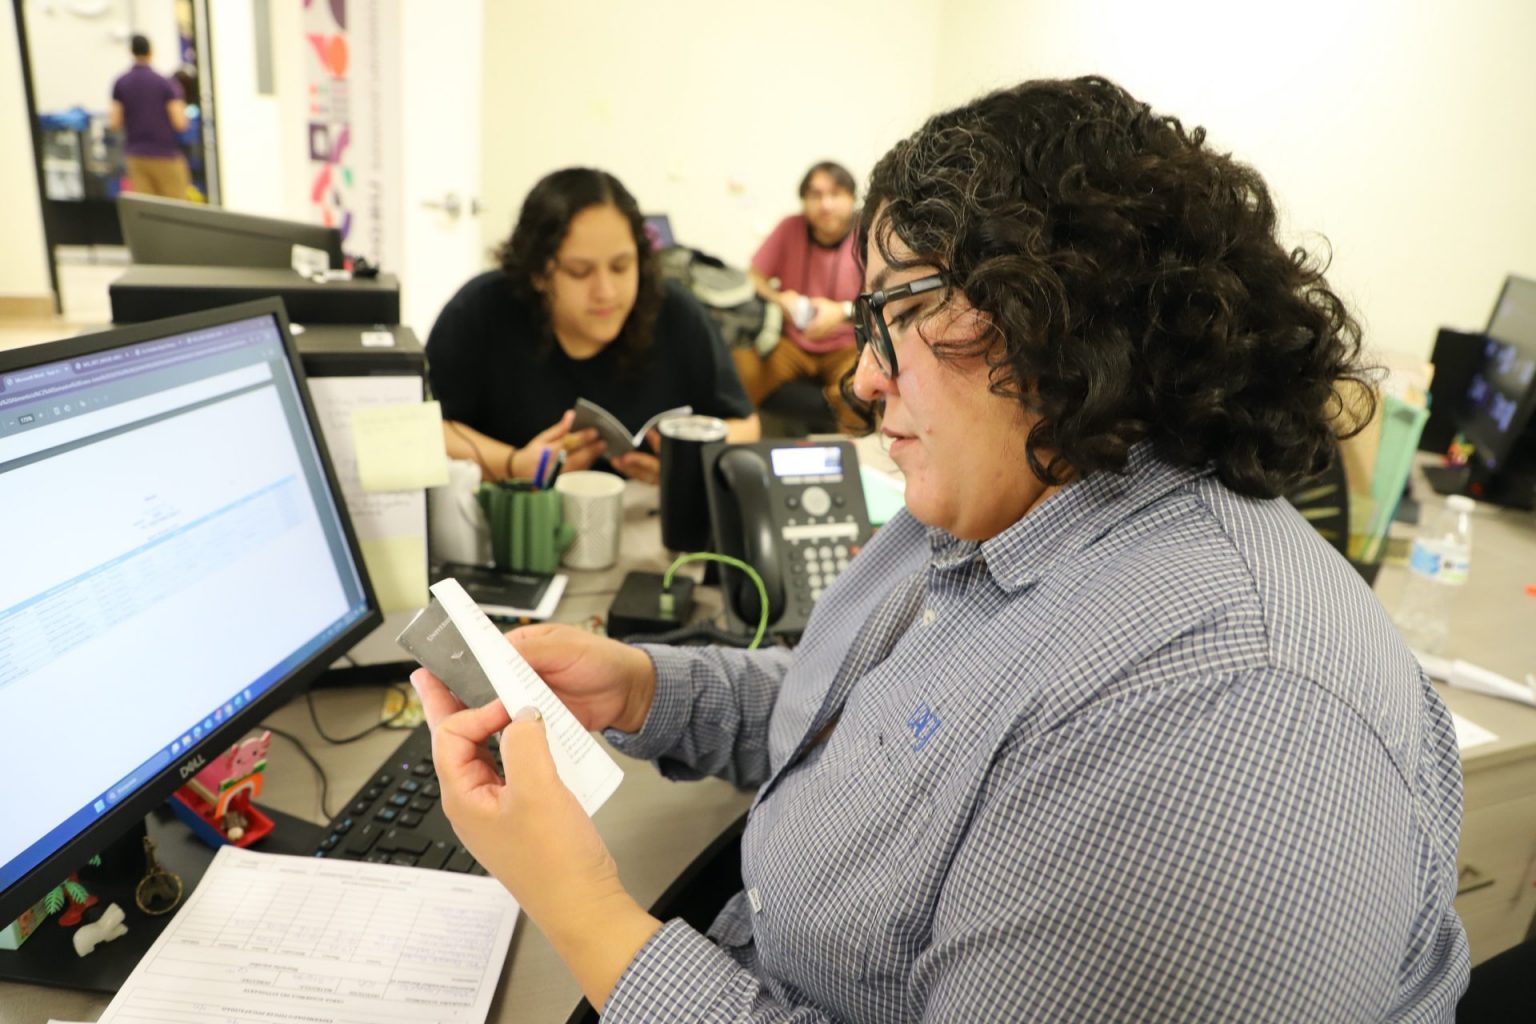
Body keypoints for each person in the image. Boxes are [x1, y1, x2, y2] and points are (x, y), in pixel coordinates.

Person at [413, 78, 1469, 1021]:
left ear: (1066, 314)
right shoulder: (1007, 487)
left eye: (907, 310)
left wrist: (580, 906)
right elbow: (866, 724)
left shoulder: (1217, 723)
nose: (864, 379)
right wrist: (646, 688)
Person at [428, 168, 759, 487]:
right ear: (538, 273)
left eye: (621, 266)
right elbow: (424, 428)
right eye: (580, 272)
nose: (606, 292)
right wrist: (513, 465)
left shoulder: (675, 312)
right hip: (516, 509)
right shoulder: (482, 309)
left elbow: (745, 425)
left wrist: (686, 464)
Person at [732, 161, 863, 429]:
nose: (825, 205)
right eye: (816, 195)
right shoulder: (789, 227)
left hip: (847, 345)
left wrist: (842, 312)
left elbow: (888, 299)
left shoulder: (869, 234)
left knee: (859, 390)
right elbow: (754, 277)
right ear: (804, 200)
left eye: (835, 194)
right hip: (792, 342)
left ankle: (842, 441)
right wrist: (778, 298)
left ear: (852, 198)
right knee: (739, 366)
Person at [109, 34, 190, 200]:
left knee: (146, 208)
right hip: (165, 155)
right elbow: (180, 123)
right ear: (151, 52)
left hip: (136, 157)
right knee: (175, 208)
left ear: (131, 52)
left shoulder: (121, 83)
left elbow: (114, 122)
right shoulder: (165, 83)